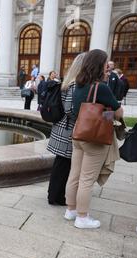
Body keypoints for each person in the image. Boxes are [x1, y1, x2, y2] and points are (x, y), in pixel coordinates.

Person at [65, 49, 123, 229]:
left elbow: (79, 112)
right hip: (93, 139)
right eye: (106, 63)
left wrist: (104, 113)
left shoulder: (79, 84)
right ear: (99, 65)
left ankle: (71, 210)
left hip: (78, 134)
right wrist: (109, 115)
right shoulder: (101, 87)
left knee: (74, 175)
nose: (108, 67)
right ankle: (82, 218)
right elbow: (118, 113)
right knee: (87, 179)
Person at [47, 53, 86, 206]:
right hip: (67, 129)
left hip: (61, 127)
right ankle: (56, 197)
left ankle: (54, 195)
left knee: (61, 164)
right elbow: (70, 110)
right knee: (63, 165)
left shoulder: (68, 82)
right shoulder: (75, 84)